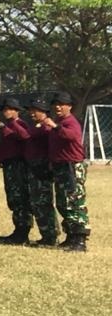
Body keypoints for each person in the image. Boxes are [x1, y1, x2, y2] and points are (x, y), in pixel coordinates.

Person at [43, 91, 89, 251]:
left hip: (72, 166)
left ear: (69, 106)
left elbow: (71, 135)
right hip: (60, 166)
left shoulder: (70, 122)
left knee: (75, 202)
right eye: (55, 104)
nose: (58, 107)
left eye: (61, 104)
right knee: (63, 203)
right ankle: (70, 236)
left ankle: (80, 239)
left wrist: (55, 126)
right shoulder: (59, 122)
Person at [0, 97, 33, 244]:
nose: (6, 112)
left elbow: (24, 136)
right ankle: (18, 229)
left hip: (19, 165)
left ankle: (23, 231)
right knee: (13, 198)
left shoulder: (20, 124)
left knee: (21, 198)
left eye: (9, 109)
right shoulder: (8, 125)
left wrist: (5, 127)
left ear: (16, 111)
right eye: (5, 109)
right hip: (9, 165)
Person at [23, 97, 58, 246]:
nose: (31, 113)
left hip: (42, 167)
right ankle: (46, 235)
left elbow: (29, 136)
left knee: (43, 202)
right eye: (31, 110)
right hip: (34, 166)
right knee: (37, 202)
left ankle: (50, 235)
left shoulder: (46, 126)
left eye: (34, 110)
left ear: (43, 112)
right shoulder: (38, 125)